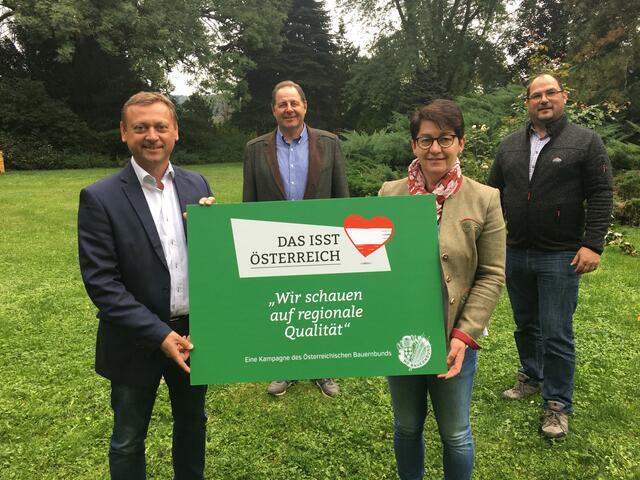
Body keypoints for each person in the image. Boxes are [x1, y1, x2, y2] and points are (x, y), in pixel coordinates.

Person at [78, 92, 216, 479]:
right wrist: (159, 334)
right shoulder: (99, 197)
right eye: (141, 128)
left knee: (193, 424)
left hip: (192, 335)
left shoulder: (195, 184)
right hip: (133, 340)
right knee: (128, 436)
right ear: (124, 133)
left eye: (160, 126)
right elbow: (102, 283)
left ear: (176, 132)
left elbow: (212, 260)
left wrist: (214, 230)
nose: (151, 135)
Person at [378, 99, 505, 480]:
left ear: (461, 143)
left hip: (454, 336)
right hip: (402, 334)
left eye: (445, 138)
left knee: (455, 433)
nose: (436, 148)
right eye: (426, 139)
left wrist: (465, 335)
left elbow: (492, 274)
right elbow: (373, 266)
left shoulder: (485, 199)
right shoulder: (389, 194)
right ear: (414, 145)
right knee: (406, 426)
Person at [488, 73, 613, 439]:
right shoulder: (509, 145)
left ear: (564, 97)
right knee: (526, 323)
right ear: (526, 103)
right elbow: (492, 193)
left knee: (557, 332)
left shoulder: (585, 142)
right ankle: (531, 375)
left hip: (560, 254)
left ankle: (557, 405)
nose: (543, 100)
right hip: (516, 250)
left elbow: (602, 193)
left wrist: (593, 244)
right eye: (535, 95)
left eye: (550, 93)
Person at [243, 80, 349, 397]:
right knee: (282, 305)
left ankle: (322, 368)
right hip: (273, 246)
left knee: (319, 305)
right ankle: (285, 366)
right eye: (282, 104)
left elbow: (342, 197)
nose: (289, 109)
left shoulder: (329, 143)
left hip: (321, 244)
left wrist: (344, 240)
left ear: (305, 106)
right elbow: (250, 200)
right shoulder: (255, 149)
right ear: (273, 110)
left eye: (294, 103)